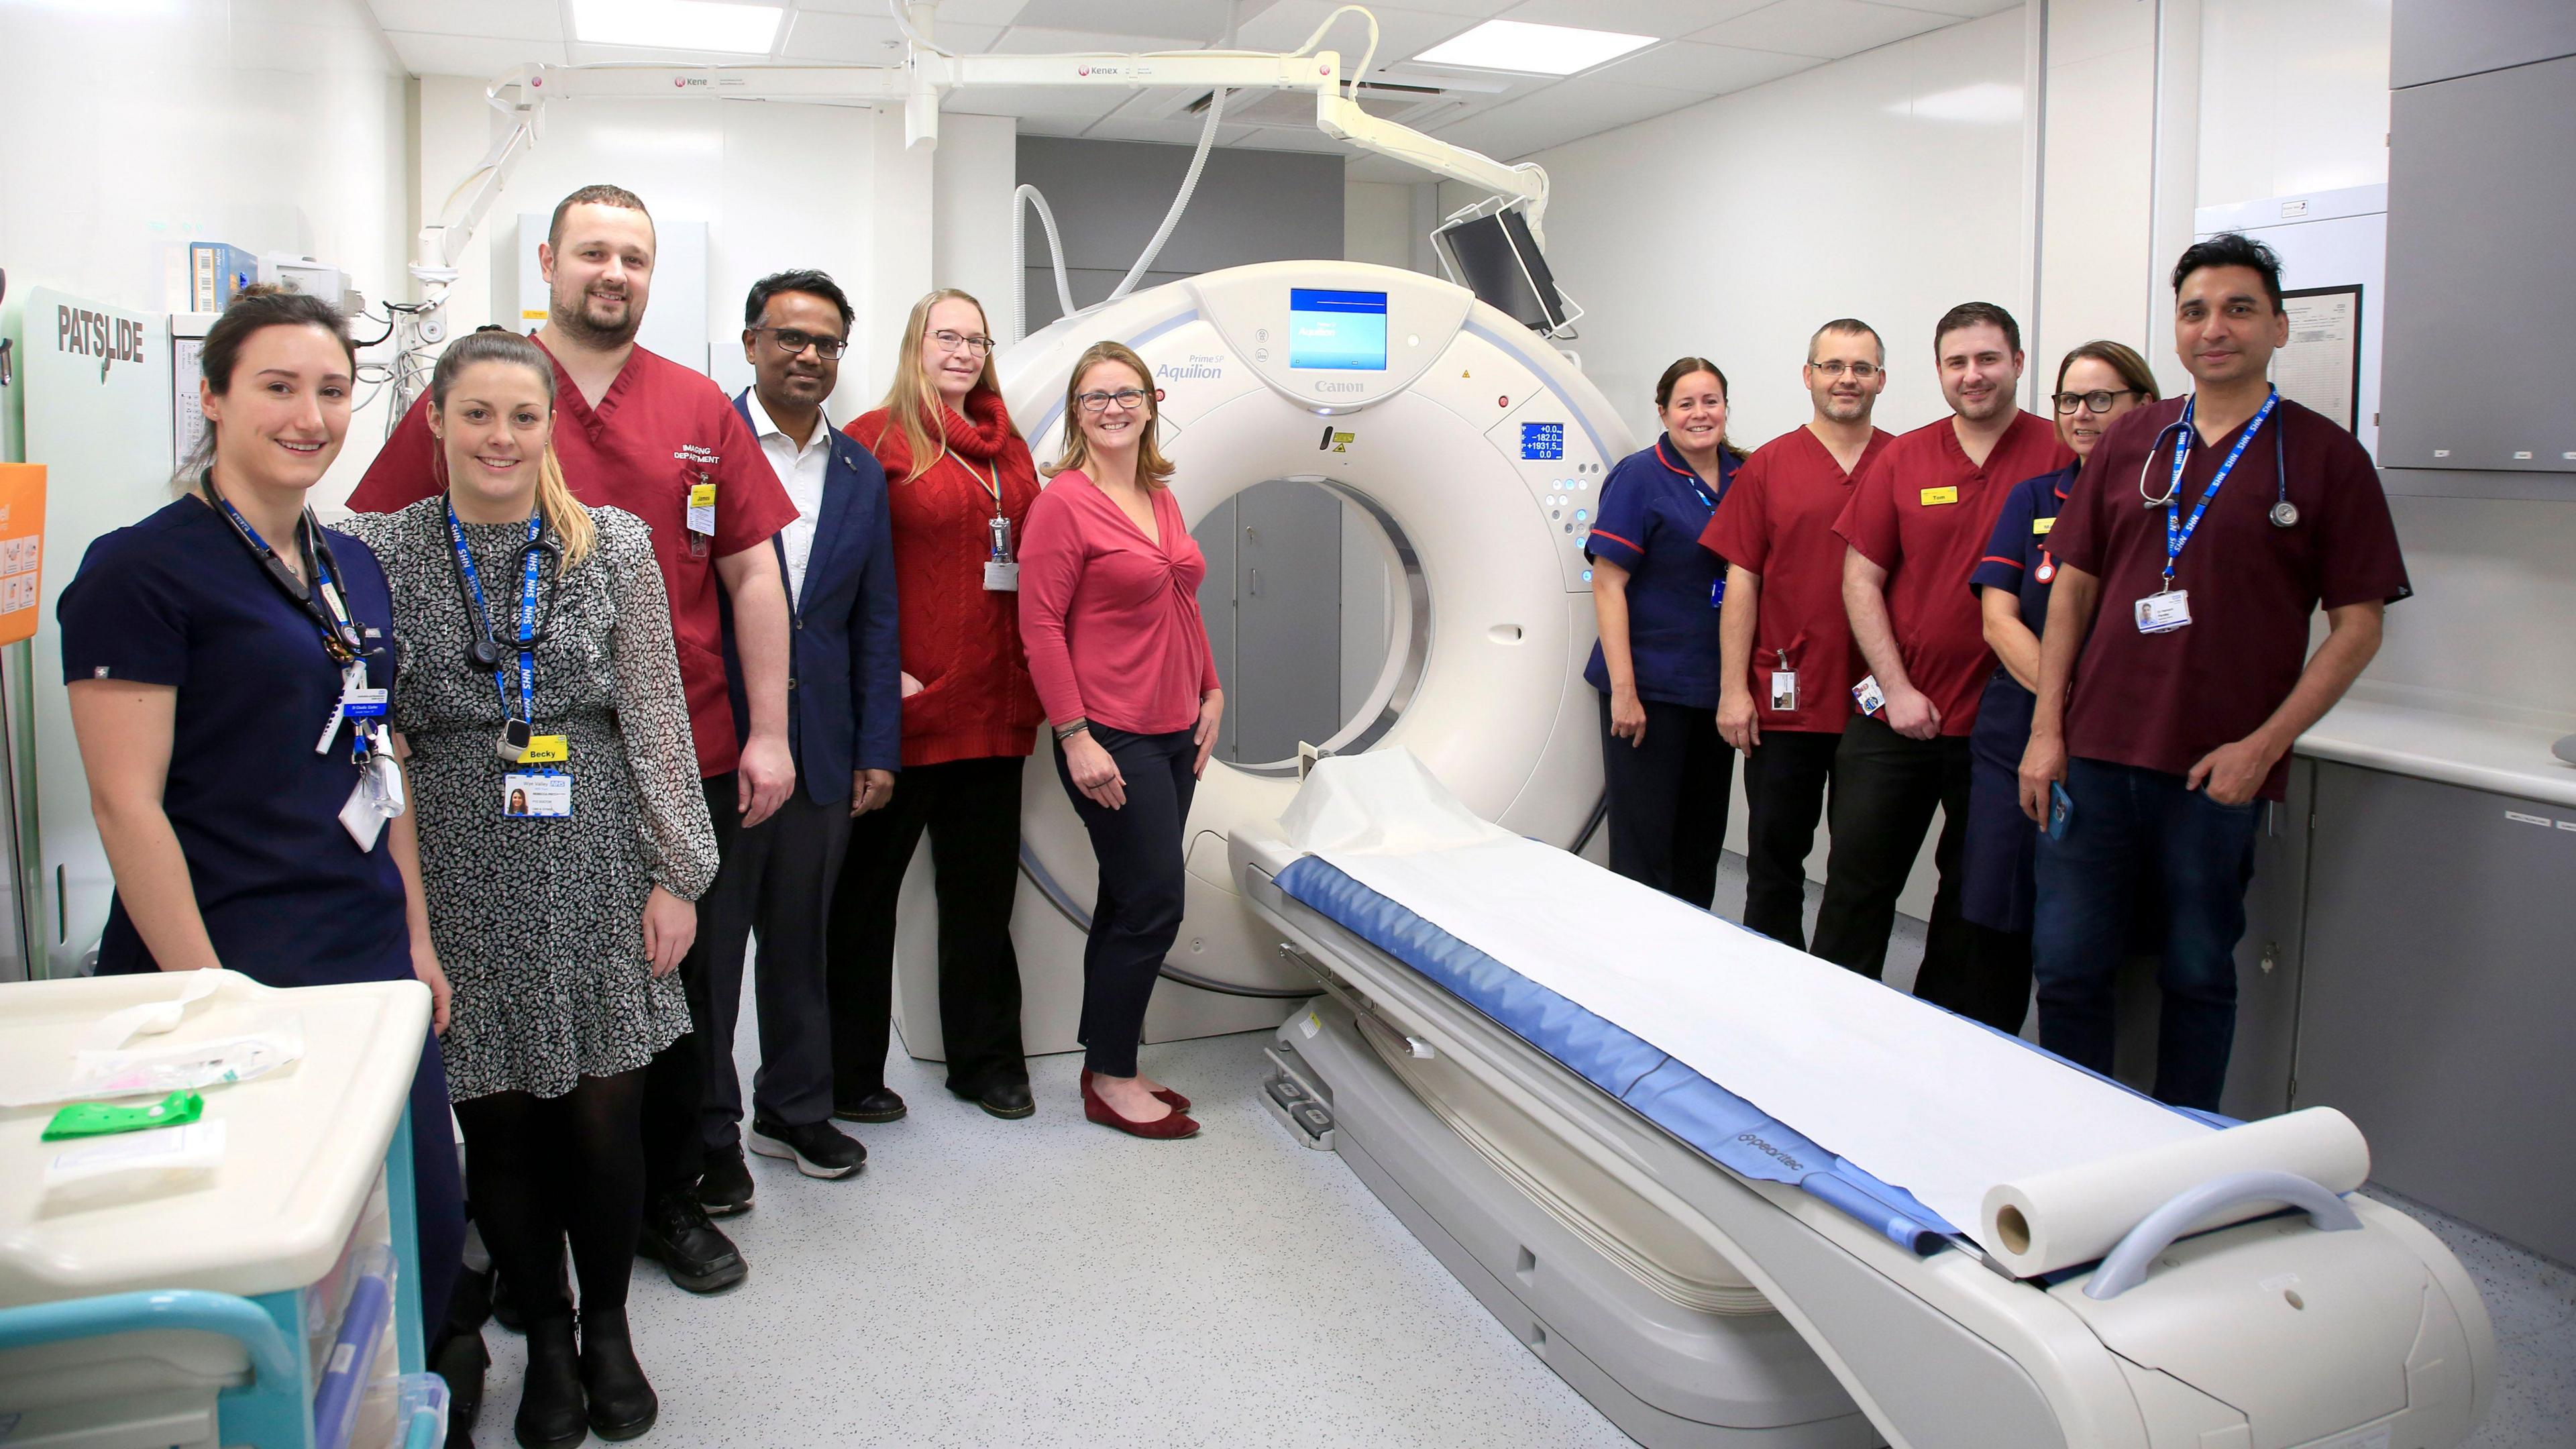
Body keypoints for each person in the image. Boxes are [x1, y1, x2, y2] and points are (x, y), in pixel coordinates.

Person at [350, 183, 796, 1293]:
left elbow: (753, 573)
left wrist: (772, 731)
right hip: (484, 770)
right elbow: (381, 547)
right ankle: (524, 1232)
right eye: (593, 252)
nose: (614, 273)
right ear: (549, 261)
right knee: (501, 1009)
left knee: (673, 1005)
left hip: (668, 750)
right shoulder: (482, 383)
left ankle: (666, 1201)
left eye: (634, 258)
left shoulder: (699, 408)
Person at [58, 286, 463, 1361]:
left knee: (415, 1228)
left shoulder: (349, 567)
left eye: (333, 391)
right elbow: (123, 803)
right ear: (213, 397)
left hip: (366, 953)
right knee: (280, 1273)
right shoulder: (142, 571)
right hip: (230, 963)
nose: (311, 417)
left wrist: (417, 939)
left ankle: (412, 1409)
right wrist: (208, 1001)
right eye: (278, 388)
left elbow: (383, 760)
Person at [337, 328, 719, 1447]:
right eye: (477, 415)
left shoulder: (616, 545)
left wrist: (679, 872)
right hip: (454, 856)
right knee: (498, 1123)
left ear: (550, 427)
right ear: (437, 424)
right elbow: (372, 736)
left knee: (607, 1119)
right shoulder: (377, 549)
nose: (500, 437)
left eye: (523, 416)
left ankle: (608, 1329)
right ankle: (544, 1336)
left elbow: (654, 709)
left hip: (598, 853)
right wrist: (398, 915)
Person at [2021, 234, 2409, 1110]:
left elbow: (2357, 628)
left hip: (2216, 773)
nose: (2214, 328)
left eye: (2238, 309)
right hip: (2094, 757)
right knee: (2070, 968)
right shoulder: (2131, 441)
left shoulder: (2323, 458)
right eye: (2195, 311)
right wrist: (2047, 733)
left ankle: (2187, 1154)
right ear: (2177, 330)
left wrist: (2262, 748)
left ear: (2278, 326)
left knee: (2198, 976)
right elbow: (2073, 590)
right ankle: (2066, 1136)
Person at [690, 270, 900, 1214]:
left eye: (825, 344)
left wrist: (876, 748)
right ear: (750, 345)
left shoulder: (858, 472)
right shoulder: (704, 452)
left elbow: (873, 622)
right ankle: (705, 1133)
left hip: (821, 745)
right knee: (711, 949)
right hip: (719, 743)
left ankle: (794, 1107)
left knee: (802, 940)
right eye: (789, 338)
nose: (807, 356)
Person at [830, 289, 1045, 1124]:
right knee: (862, 903)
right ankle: (850, 1074)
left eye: (975, 339)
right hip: (905, 714)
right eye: (944, 335)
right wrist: (875, 680)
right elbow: (834, 573)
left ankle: (984, 1063)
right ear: (915, 343)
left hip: (995, 710)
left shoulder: (1011, 451)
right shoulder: (873, 441)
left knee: (983, 902)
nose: (961, 350)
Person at [1819, 303, 2071, 994]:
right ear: (1937, 372)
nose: (1973, 375)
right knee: (1856, 886)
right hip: (1896, 716)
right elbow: (1860, 579)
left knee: (1980, 907)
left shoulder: (2058, 454)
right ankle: (1830, 1030)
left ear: (2018, 363)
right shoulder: (1905, 457)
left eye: (1988, 359)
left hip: (2005, 729)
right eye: (1957, 362)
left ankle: (1950, 1042)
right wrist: (1896, 689)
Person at [1018, 341, 1222, 1140]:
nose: (1113, 408)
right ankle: (1112, 1076)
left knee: (1128, 900)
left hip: (1177, 727)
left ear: (1150, 402)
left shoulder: (1158, 493)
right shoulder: (1063, 503)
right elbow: (1038, 626)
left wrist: (1211, 686)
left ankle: (1108, 1061)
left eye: (1126, 394)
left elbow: (1182, 597)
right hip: (1111, 732)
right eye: (1096, 396)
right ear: (1077, 411)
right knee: (1155, 905)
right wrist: (1075, 737)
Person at [1950, 342, 2159, 1034]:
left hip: (2124, 745)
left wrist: (2087, 716)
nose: (2082, 415)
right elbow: (1998, 615)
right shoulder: (2035, 498)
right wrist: (2062, 706)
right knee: (1996, 919)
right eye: (2070, 400)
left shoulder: (2167, 507)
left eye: (2101, 399)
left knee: (2090, 941)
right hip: (2019, 731)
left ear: (2144, 406)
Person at [1707, 321, 1896, 949]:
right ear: (1808, 374)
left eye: (1862, 367)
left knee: (1862, 870)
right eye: (1834, 365)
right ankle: (1771, 990)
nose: (1848, 378)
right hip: (1784, 697)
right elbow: (1743, 580)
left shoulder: (1904, 461)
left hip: (1877, 701)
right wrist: (1734, 691)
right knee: (1774, 865)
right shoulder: (1768, 466)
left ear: (1881, 379)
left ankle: (1849, 996)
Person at [1584, 358, 1745, 905]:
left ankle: (1689, 969)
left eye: (1711, 402)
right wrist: (1625, 693)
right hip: (1648, 690)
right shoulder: (1640, 477)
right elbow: (1608, 584)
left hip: (1713, 689)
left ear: (1726, 408)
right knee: (1645, 848)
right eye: (1686, 403)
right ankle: (1632, 973)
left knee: (1701, 844)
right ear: (1663, 411)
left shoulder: (1744, 478)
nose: (1700, 414)